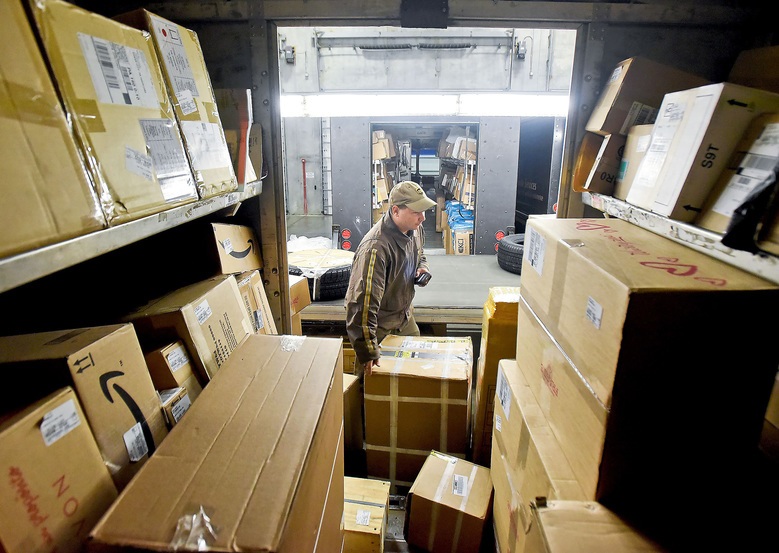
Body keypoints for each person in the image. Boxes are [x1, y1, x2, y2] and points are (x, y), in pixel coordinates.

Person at [345, 180, 436, 377]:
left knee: (413, 374)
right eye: (416, 212)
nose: (423, 218)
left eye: (424, 211)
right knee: (369, 388)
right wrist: (368, 350)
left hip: (404, 319)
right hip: (379, 327)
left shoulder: (414, 228)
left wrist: (422, 268)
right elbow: (362, 304)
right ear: (395, 211)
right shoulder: (375, 248)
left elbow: (420, 254)